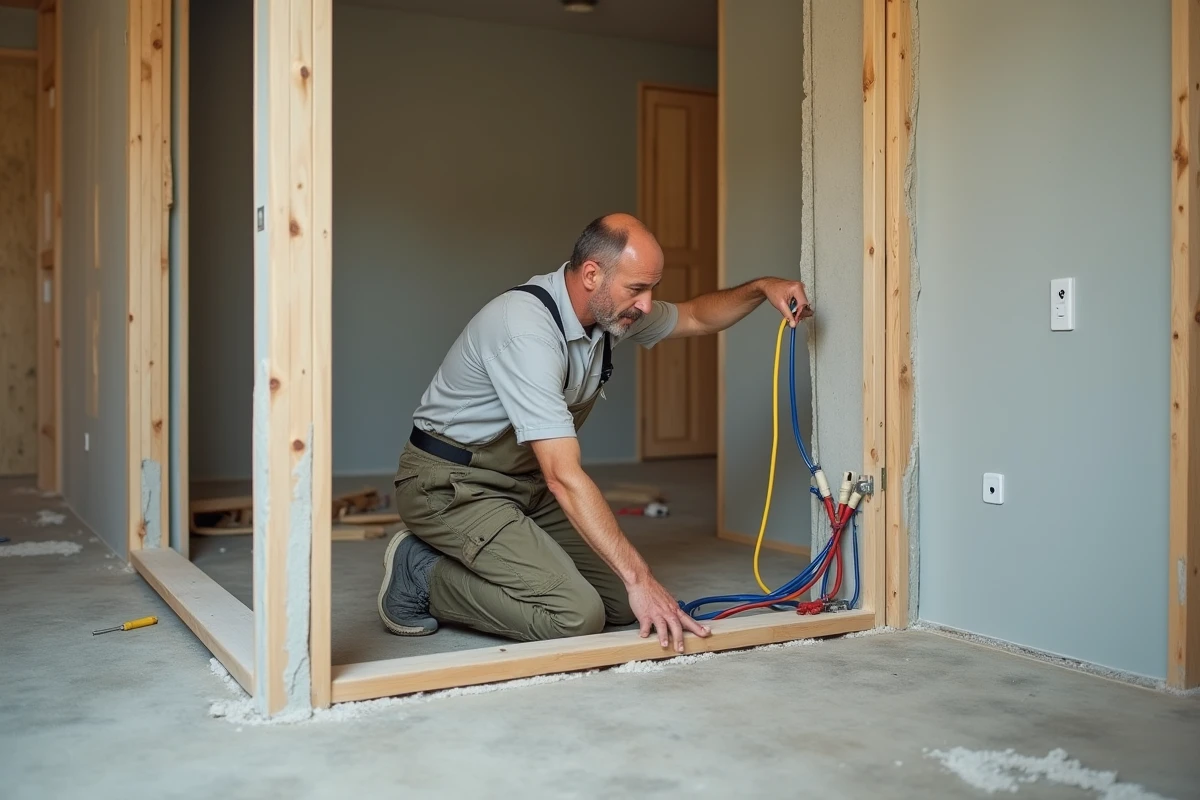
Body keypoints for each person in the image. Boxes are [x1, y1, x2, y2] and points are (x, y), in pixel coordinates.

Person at [378, 213, 813, 653]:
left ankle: (475, 557)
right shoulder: (526, 331)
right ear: (592, 274)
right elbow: (563, 477)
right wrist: (642, 579)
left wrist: (762, 288)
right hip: (449, 487)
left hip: (519, 486)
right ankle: (421, 571)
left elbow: (696, 316)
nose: (647, 303)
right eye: (638, 288)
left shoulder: (608, 315)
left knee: (621, 606)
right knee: (574, 615)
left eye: (652, 288)